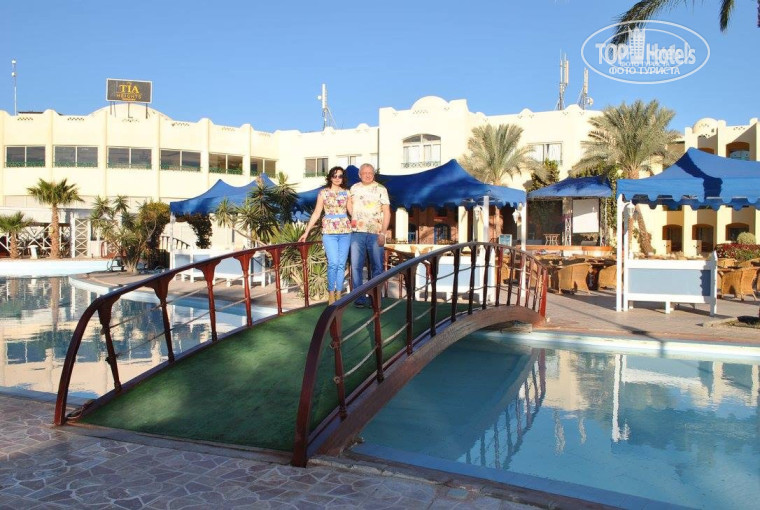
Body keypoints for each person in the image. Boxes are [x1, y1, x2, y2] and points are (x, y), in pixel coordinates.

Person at [298, 166, 352, 304]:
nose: (337, 178)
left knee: (341, 264)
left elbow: (352, 212)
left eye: (340, 176)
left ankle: (339, 293)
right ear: (330, 177)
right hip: (329, 232)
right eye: (335, 176)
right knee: (333, 263)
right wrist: (306, 232)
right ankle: (331, 293)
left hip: (345, 231)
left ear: (343, 178)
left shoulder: (347, 193)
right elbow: (316, 213)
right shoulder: (323, 193)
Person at [350, 163, 391, 308]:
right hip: (357, 232)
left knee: (377, 266)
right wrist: (354, 217)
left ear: (373, 174)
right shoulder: (354, 188)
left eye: (370, 173)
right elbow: (349, 204)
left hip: (375, 233)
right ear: (359, 174)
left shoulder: (381, 189)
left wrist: (383, 233)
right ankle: (359, 298)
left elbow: (387, 212)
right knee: (356, 266)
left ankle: (375, 298)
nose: (367, 175)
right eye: (364, 173)